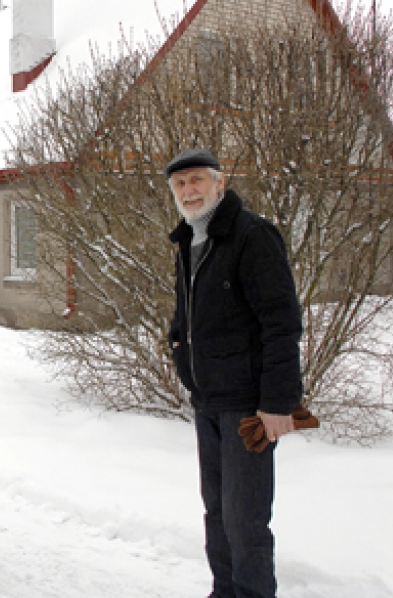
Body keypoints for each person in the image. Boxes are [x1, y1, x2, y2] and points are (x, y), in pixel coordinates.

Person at [165, 149, 303, 598]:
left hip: (247, 404)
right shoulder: (188, 240)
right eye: (180, 184)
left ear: (219, 183)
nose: (189, 191)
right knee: (217, 513)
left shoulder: (252, 235)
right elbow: (186, 315)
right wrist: (179, 350)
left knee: (246, 519)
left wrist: (278, 402)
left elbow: (281, 322)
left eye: (197, 180)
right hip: (207, 399)